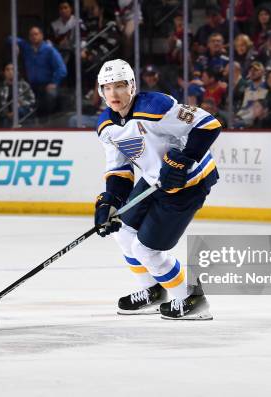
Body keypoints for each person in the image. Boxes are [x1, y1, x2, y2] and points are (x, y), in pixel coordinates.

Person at [93, 59, 221, 320]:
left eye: (120, 86)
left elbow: (208, 125)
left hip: (189, 183)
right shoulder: (106, 125)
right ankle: (153, 290)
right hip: (154, 180)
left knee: (146, 250)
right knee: (122, 231)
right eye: (107, 87)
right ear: (100, 91)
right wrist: (109, 202)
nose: (114, 94)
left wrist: (184, 159)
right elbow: (120, 170)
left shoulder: (156, 106)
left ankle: (190, 299)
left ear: (132, 86)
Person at [11, 26, 67, 116]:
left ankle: (48, 121)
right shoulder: (27, 48)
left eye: (36, 34)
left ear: (41, 35)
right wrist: (15, 44)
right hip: (31, 85)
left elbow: (61, 69)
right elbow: (10, 39)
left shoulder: (49, 50)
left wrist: (55, 82)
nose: (34, 37)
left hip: (46, 85)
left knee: (51, 95)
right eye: (31, 35)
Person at [0, 63, 37, 127]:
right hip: (7, 117)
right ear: (4, 73)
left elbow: (32, 101)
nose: (10, 72)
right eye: (7, 70)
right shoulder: (0, 88)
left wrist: (21, 102)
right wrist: (7, 114)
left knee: (19, 112)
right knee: (4, 122)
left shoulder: (24, 85)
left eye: (12, 69)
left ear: (17, 72)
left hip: (23, 115)